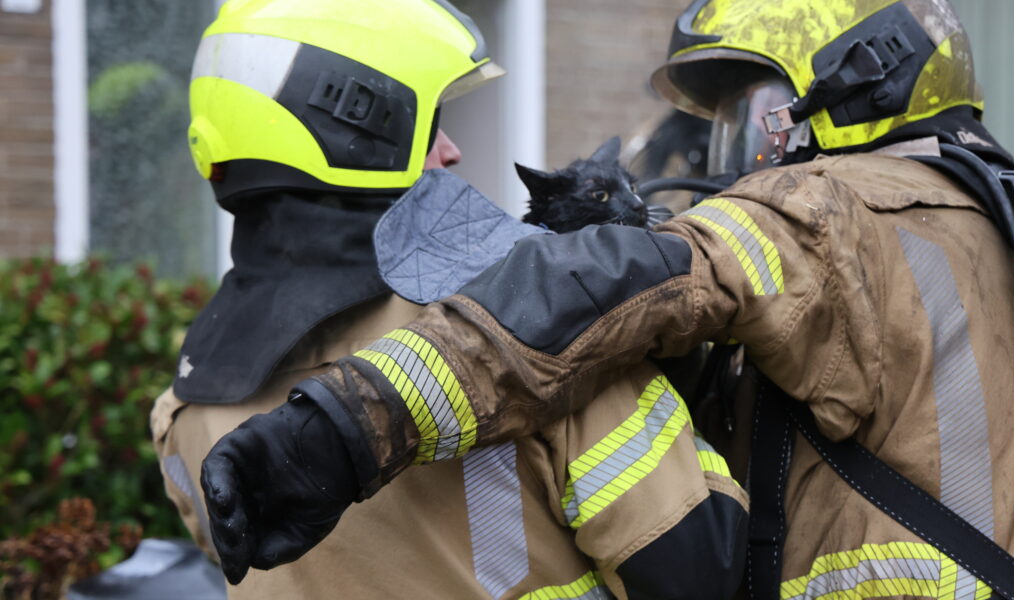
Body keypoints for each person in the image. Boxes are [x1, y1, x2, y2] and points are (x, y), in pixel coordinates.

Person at [202, 0, 1014, 597]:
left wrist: (349, 426)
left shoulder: (832, 209)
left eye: (757, 112)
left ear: (862, 84)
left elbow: (611, 285)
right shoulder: (985, 213)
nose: (736, 155)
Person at [152, 0, 748, 598]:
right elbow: (701, 563)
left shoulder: (184, 409)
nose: (453, 150)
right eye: (429, 122)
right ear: (359, 124)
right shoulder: (536, 337)